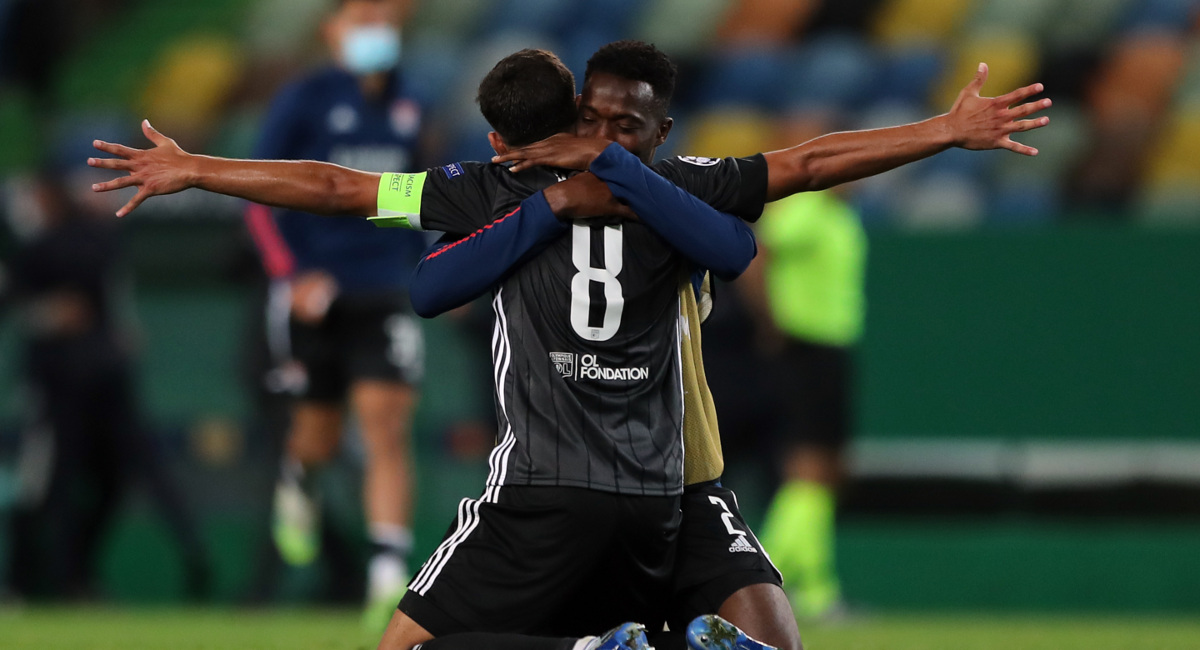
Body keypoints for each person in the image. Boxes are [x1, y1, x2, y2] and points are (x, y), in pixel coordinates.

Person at [89, 42, 1050, 650]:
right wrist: (943, 132)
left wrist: (198, 169)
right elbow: (796, 175)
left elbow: (799, 169)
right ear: (574, 113)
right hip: (636, 483)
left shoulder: (595, 188)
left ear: (659, 132)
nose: (604, 133)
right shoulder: (611, 185)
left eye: (625, 126)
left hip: (652, 482)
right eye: (594, 118)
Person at [242, 0, 426, 625]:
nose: (376, 30)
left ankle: (388, 576)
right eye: (361, 19)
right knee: (317, 433)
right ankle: (301, 479)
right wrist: (291, 274)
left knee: (386, 425)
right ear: (331, 29)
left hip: (383, 288)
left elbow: (418, 194)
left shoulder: (409, 102)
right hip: (315, 292)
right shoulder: (305, 97)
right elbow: (257, 194)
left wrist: (425, 265)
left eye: (384, 18)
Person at [4, 171, 209, 601]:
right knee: (62, 483)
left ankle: (56, 579)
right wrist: (47, 312)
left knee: (79, 482)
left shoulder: (60, 245)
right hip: (82, 379)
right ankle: (52, 580)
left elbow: (95, 306)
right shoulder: (73, 243)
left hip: (79, 382)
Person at [739, 189, 867, 620]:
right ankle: (767, 580)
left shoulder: (840, 215)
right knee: (809, 468)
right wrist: (770, 321)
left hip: (832, 350)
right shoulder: (805, 210)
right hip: (806, 349)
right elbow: (756, 254)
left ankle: (811, 588)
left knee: (826, 471)